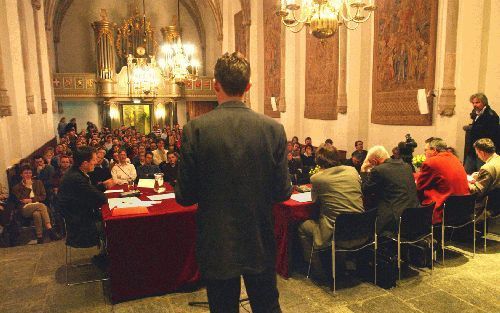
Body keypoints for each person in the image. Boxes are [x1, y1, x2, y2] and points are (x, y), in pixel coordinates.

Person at [175, 52, 291, 313]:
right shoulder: (273, 129)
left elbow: (184, 196)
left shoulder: (196, 130)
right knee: (267, 307)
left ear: (215, 84)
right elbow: (283, 191)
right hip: (259, 239)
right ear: (248, 87)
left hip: (217, 242)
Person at [298, 144, 364, 265]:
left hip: (335, 232)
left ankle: (316, 267)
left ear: (318, 161)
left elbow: (314, 201)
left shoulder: (317, 178)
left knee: (303, 226)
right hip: (360, 229)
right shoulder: (352, 171)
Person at [58, 146, 109, 248]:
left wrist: (103, 185)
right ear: (85, 163)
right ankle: (107, 257)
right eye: (94, 160)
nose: (96, 162)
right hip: (79, 223)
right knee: (112, 225)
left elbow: (89, 192)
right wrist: (103, 188)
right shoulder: (76, 178)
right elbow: (100, 198)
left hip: (81, 214)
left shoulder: (76, 173)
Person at [360, 146, 419, 236]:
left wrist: (363, 171)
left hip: (394, 220)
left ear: (375, 161)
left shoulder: (379, 170)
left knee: (368, 213)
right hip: (414, 215)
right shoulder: (406, 166)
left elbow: (365, 190)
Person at [416, 138, 469, 224]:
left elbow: (419, 187)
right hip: (463, 208)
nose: (424, 153)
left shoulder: (431, 162)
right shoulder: (454, 158)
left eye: (426, 150)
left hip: (444, 209)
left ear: (434, 150)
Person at [11, 165, 60, 244]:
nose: (28, 175)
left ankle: (39, 237)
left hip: (37, 206)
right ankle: (50, 230)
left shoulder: (38, 183)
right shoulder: (16, 187)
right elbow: (21, 200)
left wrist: (31, 200)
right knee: (41, 205)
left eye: (30, 173)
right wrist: (27, 187)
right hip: (25, 208)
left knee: (36, 214)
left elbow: (43, 196)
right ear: (21, 175)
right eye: (25, 173)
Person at [464, 93, 499, 173]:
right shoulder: (476, 113)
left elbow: (492, 135)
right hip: (473, 149)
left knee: (482, 173)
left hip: (483, 150)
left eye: (477, 102)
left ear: (484, 102)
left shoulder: (491, 115)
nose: (474, 105)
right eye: (473, 103)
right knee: (466, 172)